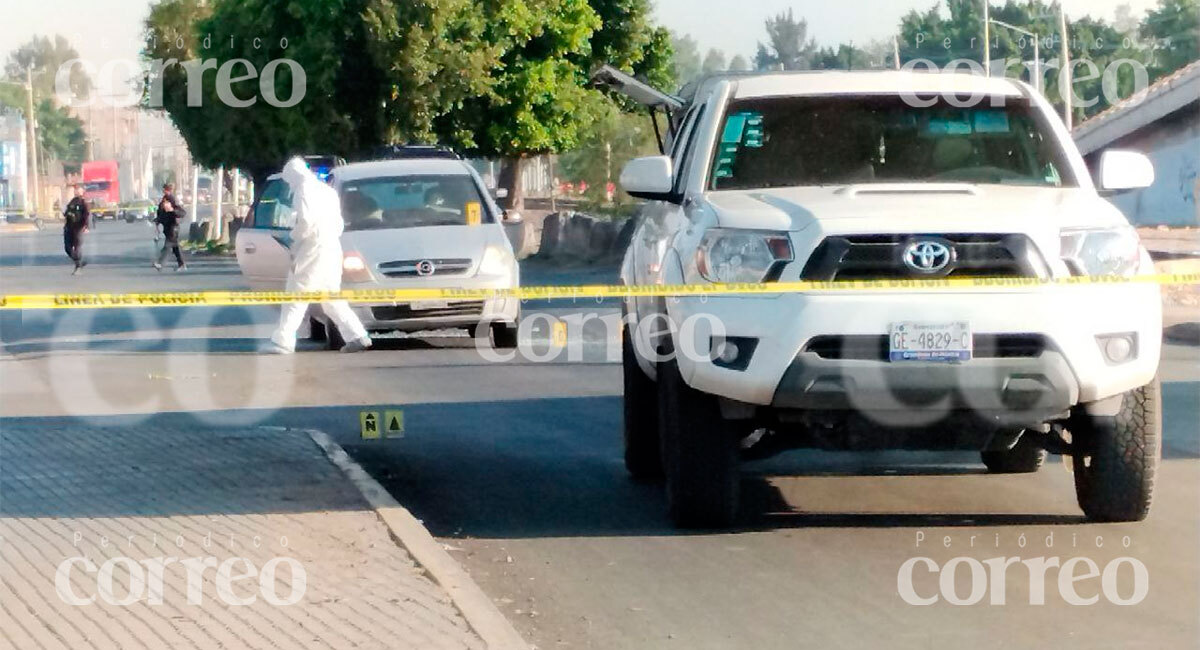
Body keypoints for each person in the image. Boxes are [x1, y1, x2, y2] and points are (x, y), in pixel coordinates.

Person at [269, 157, 372, 354]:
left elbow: (305, 222)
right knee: (331, 296)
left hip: (312, 248)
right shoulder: (327, 190)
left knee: (296, 293)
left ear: (293, 175)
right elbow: (338, 223)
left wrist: (294, 237)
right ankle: (357, 335)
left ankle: (284, 340)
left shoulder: (303, 189)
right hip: (332, 247)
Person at [154, 182, 188, 271]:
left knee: (167, 245)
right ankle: (182, 264)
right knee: (175, 247)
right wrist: (158, 220)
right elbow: (162, 213)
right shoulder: (164, 200)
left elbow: (182, 212)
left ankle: (160, 263)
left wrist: (172, 210)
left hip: (173, 227)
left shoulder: (173, 200)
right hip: (167, 226)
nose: (164, 191)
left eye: (166, 190)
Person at [62, 185, 89, 275]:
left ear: (82, 192)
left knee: (77, 247)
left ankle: (78, 266)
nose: (76, 191)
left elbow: (86, 215)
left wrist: (86, 226)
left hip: (78, 227)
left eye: (79, 190)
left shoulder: (83, 202)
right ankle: (79, 263)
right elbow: (66, 213)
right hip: (69, 227)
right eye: (76, 190)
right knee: (67, 248)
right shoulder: (72, 201)